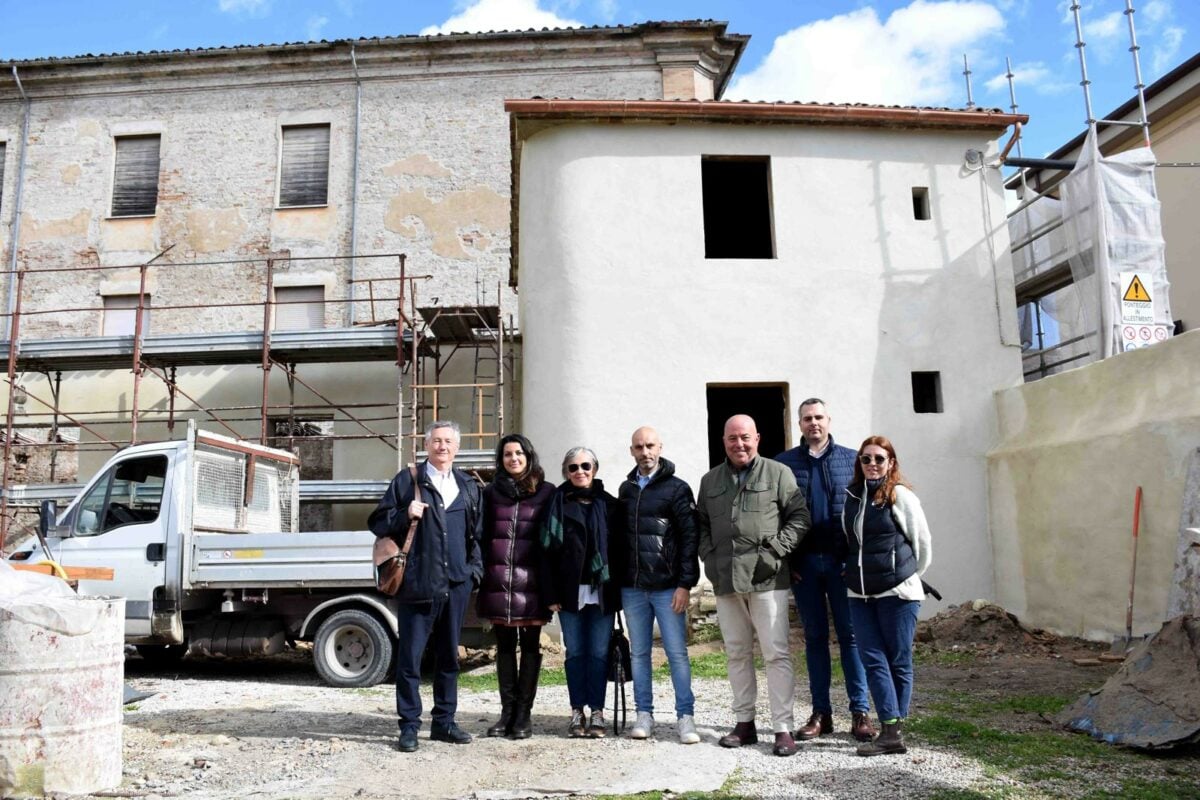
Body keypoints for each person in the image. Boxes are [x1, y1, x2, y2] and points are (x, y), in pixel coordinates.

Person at [697, 414, 810, 757]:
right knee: (736, 653)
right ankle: (744, 723)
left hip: (767, 579)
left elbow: (800, 517)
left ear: (757, 438)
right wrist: (709, 555)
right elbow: (701, 523)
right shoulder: (710, 480)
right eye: (732, 438)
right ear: (724, 442)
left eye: (745, 437)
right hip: (726, 579)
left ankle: (782, 728)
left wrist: (776, 551)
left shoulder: (778, 473)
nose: (739, 444)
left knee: (775, 653)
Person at [367, 420, 483, 753]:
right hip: (417, 586)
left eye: (448, 441)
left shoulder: (468, 485)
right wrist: (405, 513)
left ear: (456, 447)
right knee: (410, 661)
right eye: (436, 441)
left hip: (456, 586)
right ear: (426, 445)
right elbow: (377, 522)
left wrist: (474, 571)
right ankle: (409, 727)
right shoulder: (408, 481)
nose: (442, 446)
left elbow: (477, 535)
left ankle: (445, 723)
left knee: (449, 659)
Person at [774, 399, 875, 743]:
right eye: (807, 419)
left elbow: (865, 513)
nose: (813, 423)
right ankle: (821, 713)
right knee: (814, 639)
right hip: (804, 567)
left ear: (828, 420)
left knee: (851, 637)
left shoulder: (852, 459)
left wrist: (856, 559)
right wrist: (788, 562)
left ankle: (860, 712)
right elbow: (776, 517)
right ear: (799, 424)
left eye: (819, 417)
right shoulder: (783, 464)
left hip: (842, 565)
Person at [841, 435, 933, 757]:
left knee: (898, 659)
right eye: (866, 459)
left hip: (897, 592)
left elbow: (921, 546)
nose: (872, 464)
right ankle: (891, 728)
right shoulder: (852, 497)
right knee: (873, 659)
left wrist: (904, 577)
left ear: (891, 462)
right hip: (859, 593)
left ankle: (893, 728)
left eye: (879, 458)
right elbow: (851, 542)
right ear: (860, 463)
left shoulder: (901, 496)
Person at [615, 426, 701, 744]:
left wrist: (685, 584)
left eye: (650, 445)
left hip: (668, 587)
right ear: (631, 451)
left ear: (660, 447)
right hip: (634, 587)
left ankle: (685, 718)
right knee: (639, 654)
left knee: (676, 653)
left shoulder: (678, 489)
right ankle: (644, 714)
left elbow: (690, 537)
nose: (645, 452)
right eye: (639, 446)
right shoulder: (626, 489)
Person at [476, 434, 556, 739]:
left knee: (531, 646)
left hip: (532, 582)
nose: (514, 459)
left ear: (529, 456)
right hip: (498, 581)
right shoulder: (491, 493)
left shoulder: (547, 492)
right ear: (501, 460)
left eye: (519, 453)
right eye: (508, 454)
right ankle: (506, 713)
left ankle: (524, 715)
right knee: (505, 648)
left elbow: (552, 539)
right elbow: (482, 536)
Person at [541, 447, 621, 738]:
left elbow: (620, 553)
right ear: (566, 472)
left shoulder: (610, 505)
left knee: (599, 652)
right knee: (575, 652)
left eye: (585, 466)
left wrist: (620, 594)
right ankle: (577, 711)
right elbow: (546, 553)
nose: (580, 472)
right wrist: (550, 594)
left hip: (602, 592)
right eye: (573, 467)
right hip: (568, 592)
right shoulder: (556, 504)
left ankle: (597, 711)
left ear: (595, 469)